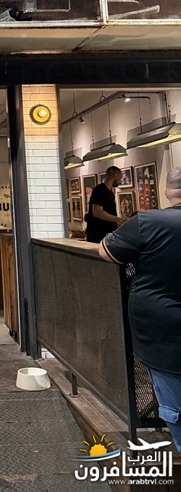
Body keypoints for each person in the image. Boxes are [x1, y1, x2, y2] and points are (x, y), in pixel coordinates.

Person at [99, 167, 181, 451]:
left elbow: (106, 251)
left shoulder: (147, 221)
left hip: (160, 325)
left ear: (167, 191)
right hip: (162, 324)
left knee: (173, 398)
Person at [85, 165, 126, 243]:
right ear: (115, 176)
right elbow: (97, 212)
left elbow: (109, 215)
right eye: (120, 178)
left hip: (107, 235)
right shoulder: (99, 190)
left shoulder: (110, 193)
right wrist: (119, 219)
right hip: (98, 236)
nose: (120, 181)